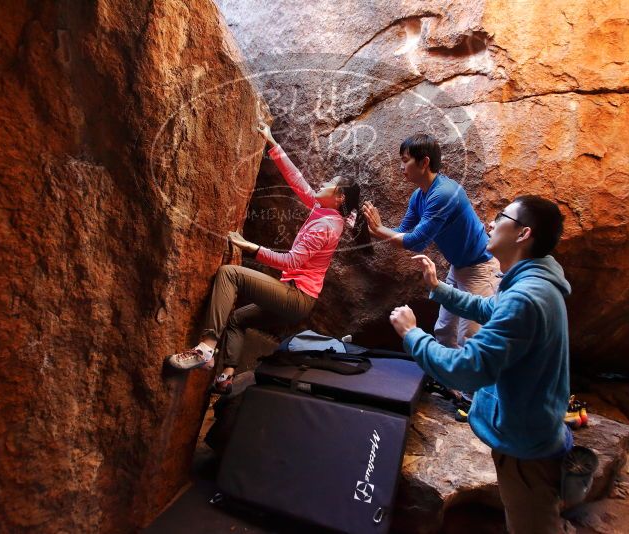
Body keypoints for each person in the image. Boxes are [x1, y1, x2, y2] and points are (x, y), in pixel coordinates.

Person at [388, 195, 573, 534]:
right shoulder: (532, 284)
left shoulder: (526, 298)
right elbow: (489, 310)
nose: (489, 222)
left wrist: (413, 336)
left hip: (526, 450)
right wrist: (438, 288)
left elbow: (468, 369)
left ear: (523, 233)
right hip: (532, 433)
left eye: (501, 217)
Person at [165, 121, 364, 394]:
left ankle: (205, 350)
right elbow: (299, 184)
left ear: (339, 197)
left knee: (229, 274)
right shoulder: (327, 212)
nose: (322, 183)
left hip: (296, 297)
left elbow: (292, 261)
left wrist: (249, 247)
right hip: (298, 297)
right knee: (237, 319)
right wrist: (272, 143)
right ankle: (226, 376)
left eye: (329, 183)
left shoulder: (325, 226)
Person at [362, 134, 499, 349]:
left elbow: (416, 242)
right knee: (444, 331)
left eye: (405, 160)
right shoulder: (419, 196)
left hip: (481, 268)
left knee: (471, 338)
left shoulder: (443, 193)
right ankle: (448, 382)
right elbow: (402, 231)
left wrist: (379, 229)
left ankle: (467, 384)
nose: (401, 167)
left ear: (424, 162)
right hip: (459, 267)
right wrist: (366, 229)